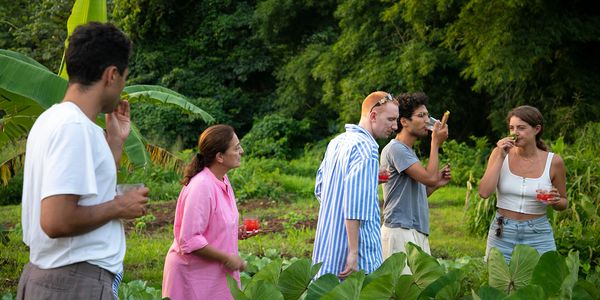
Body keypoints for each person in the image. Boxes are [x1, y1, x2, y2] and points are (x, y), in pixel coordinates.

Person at [17, 22, 149, 300]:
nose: (122, 86)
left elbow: (90, 190)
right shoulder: (72, 127)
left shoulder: (54, 119)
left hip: (63, 278)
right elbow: (56, 220)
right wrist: (120, 206)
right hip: (73, 283)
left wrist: (115, 142)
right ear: (111, 75)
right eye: (124, 78)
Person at [312, 91, 399, 279]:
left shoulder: (337, 142)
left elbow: (321, 188)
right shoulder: (366, 148)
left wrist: (368, 179)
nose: (395, 126)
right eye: (391, 119)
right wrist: (353, 252)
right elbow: (354, 206)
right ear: (373, 116)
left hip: (328, 247)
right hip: (356, 254)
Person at [162, 124, 254, 300]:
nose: (241, 151)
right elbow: (189, 240)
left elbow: (212, 226)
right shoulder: (202, 186)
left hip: (213, 274)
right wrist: (227, 258)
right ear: (220, 157)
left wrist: (234, 231)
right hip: (192, 276)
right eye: (236, 148)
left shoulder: (223, 179)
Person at [478, 105, 567, 262]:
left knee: (542, 283)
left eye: (521, 128)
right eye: (511, 128)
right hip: (502, 231)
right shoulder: (500, 154)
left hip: (538, 233)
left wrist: (556, 201)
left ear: (536, 129)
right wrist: (500, 156)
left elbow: (563, 202)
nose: (514, 133)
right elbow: (484, 193)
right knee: (498, 284)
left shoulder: (554, 161)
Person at [379, 92, 450, 274]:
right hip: (400, 230)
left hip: (414, 229)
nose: (428, 121)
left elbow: (415, 193)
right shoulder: (397, 149)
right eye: (421, 116)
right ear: (404, 122)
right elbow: (429, 176)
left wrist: (435, 185)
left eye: (427, 115)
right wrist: (435, 144)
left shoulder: (408, 151)